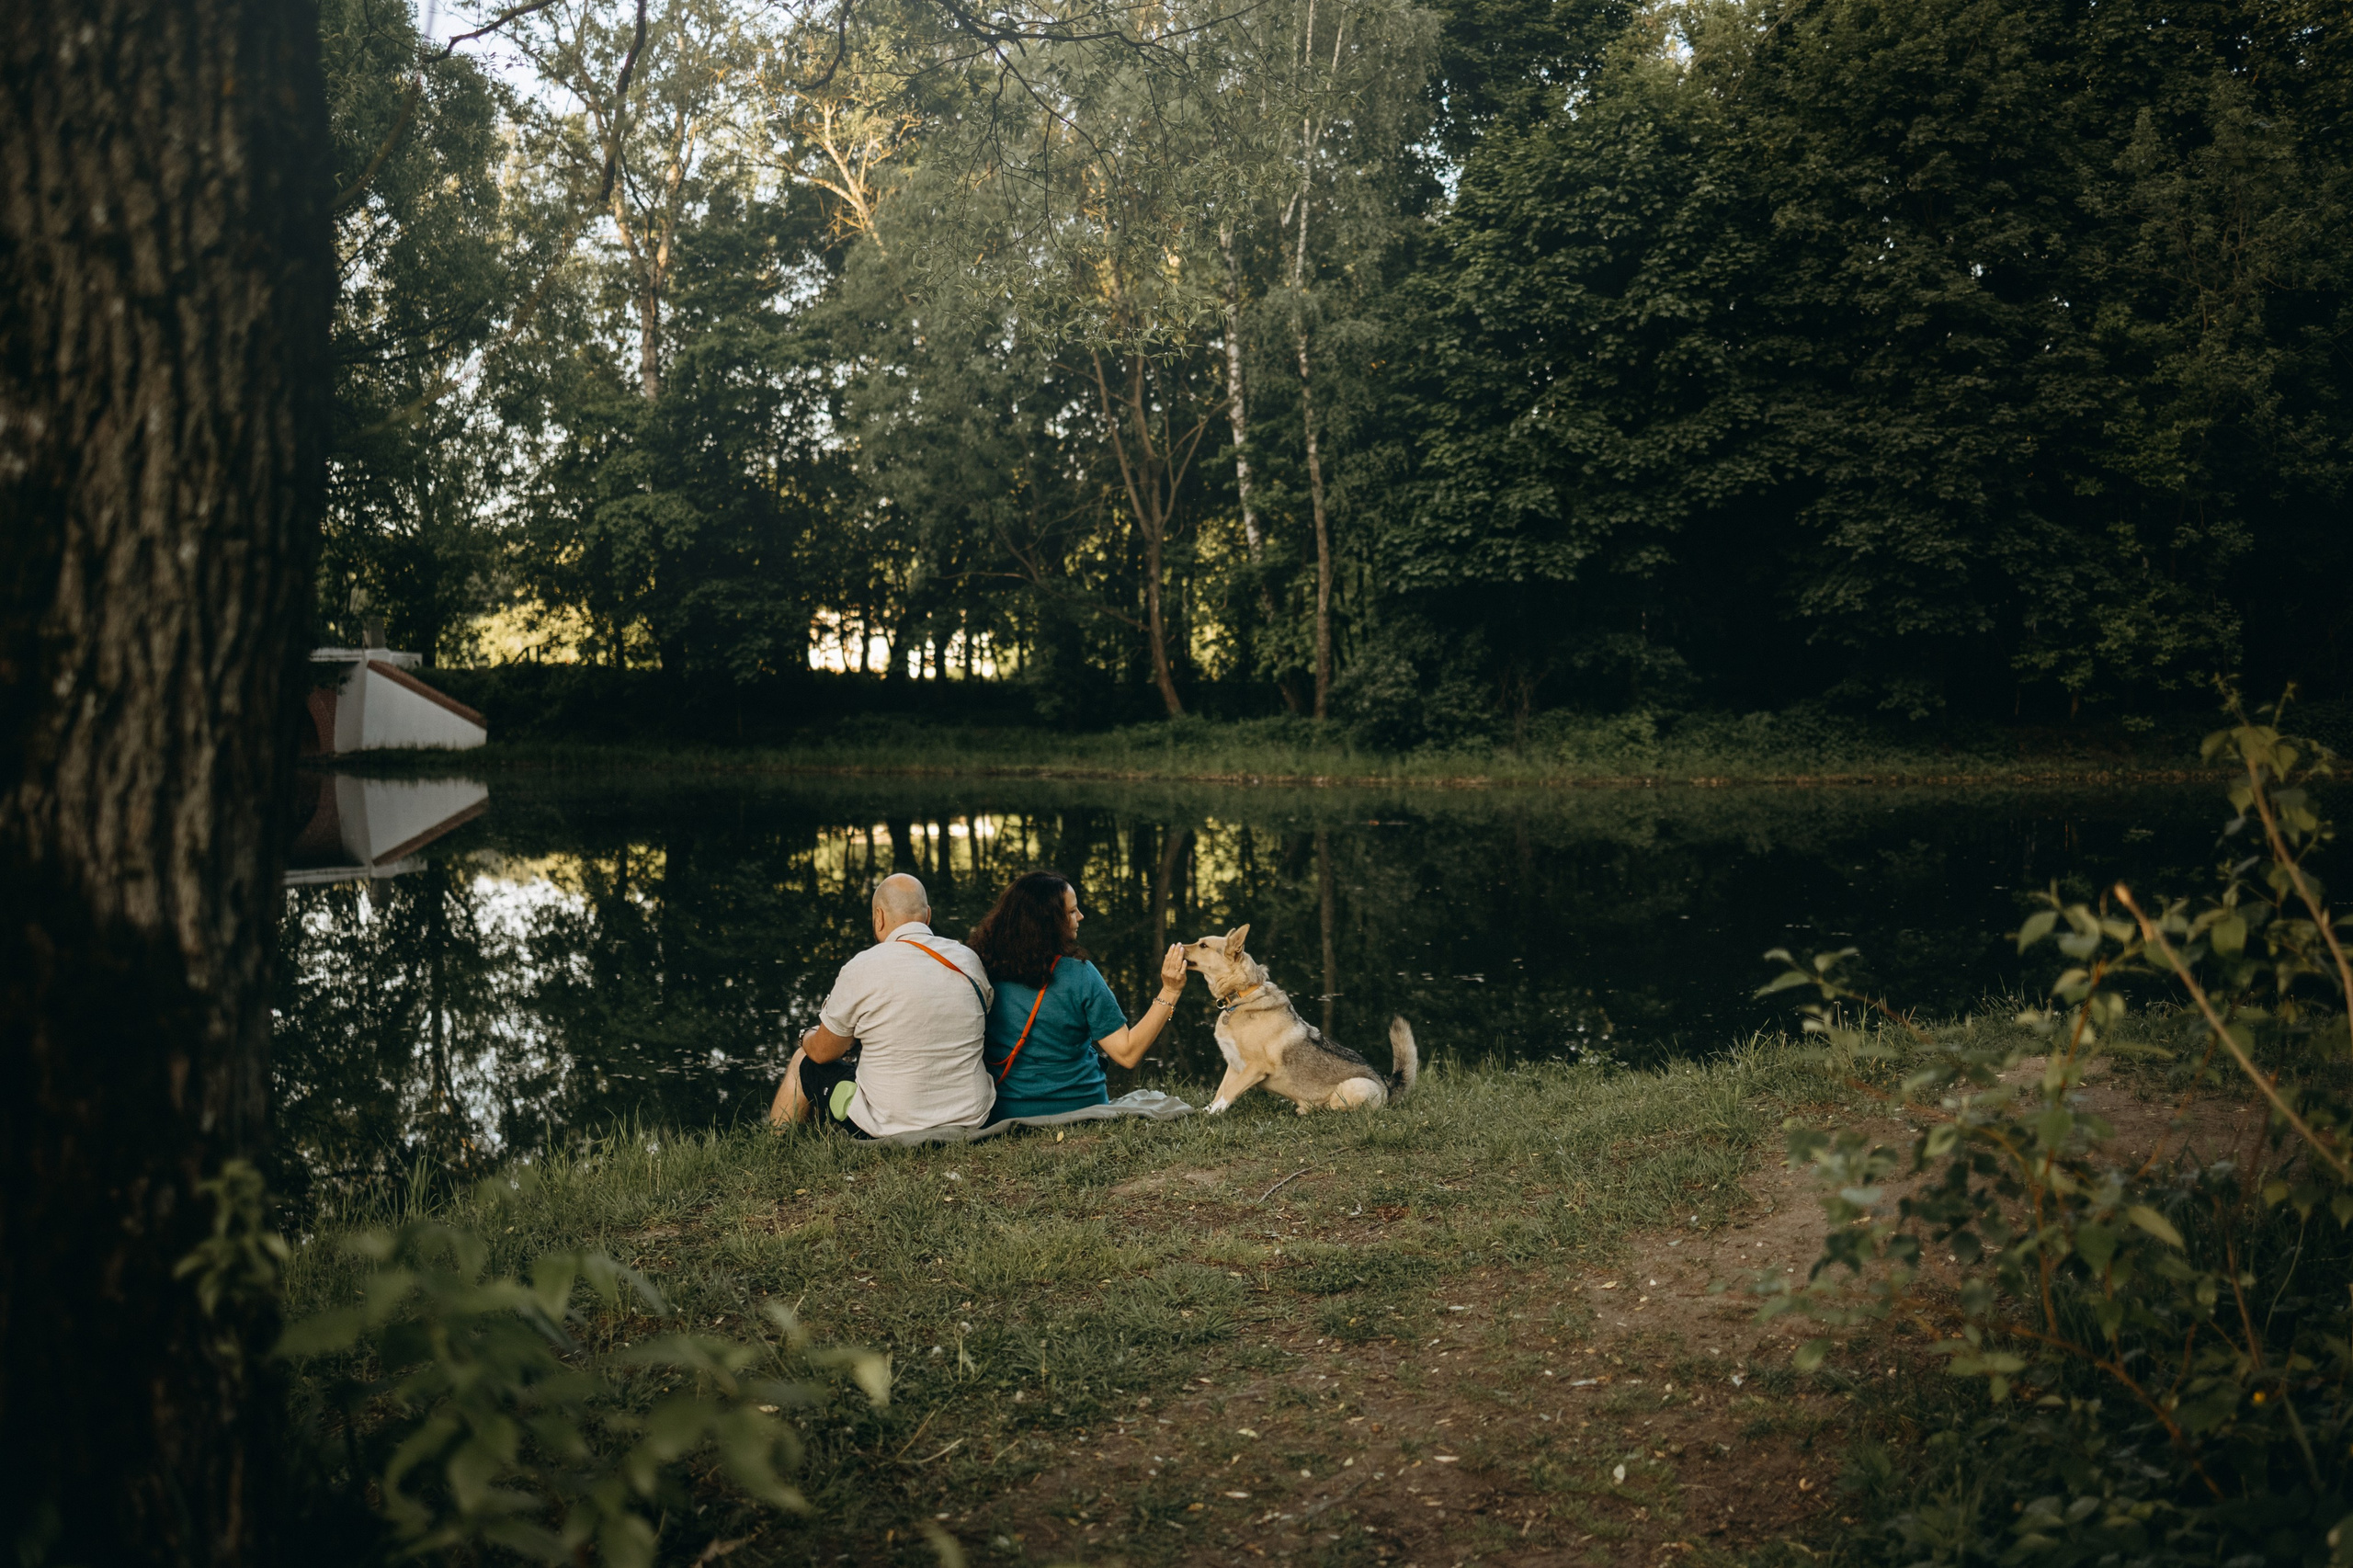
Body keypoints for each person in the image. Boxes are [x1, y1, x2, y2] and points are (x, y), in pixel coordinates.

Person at [767, 872, 995, 1139]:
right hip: (970, 1117)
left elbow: (821, 1053)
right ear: (928, 916)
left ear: (879, 917)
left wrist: (805, 1036)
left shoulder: (862, 967)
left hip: (890, 1126)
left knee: (803, 1061)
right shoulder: (967, 960)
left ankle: (775, 1147)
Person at [966, 870, 1188, 1122]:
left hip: (1006, 1111)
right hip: (1080, 1109)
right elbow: (1127, 1054)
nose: (1080, 917)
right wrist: (1170, 990)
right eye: (1072, 912)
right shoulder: (1079, 974)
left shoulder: (980, 967)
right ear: (1048, 922)